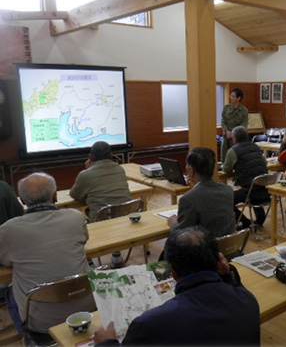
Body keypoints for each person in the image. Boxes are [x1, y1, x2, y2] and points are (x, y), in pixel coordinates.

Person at [94, 226, 260, 346]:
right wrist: (227, 274)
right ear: (219, 262)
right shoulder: (248, 301)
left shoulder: (150, 323)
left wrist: (105, 342)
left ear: (173, 271)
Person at [0, 173, 94, 335]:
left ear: (21, 200)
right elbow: (84, 239)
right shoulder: (75, 217)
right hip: (88, 309)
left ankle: (27, 338)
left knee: (9, 291)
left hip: (41, 324)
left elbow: (4, 260)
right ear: (55, 195)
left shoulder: (9, 230)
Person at [167, 147, 235, 238]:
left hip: (205, 250)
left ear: (191, 171)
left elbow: (181, 236)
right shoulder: (228, 190)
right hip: (229, 248)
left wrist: (173, 223)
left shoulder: (188, 199)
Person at [70, 141, 130, 222]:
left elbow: (75, 195)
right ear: (111, 156)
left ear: (90, 157)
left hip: (101, 220)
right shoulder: (120, 169)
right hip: (124, 216)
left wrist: (88, 169)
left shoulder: (85, 174)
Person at [223, 126, 269, 228]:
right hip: (266, 190)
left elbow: (226, 169)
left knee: (224, 200)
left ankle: (244, 221)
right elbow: (264, 163)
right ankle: (260, 219)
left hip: (250, 192)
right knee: (255, 186)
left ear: (234, 138)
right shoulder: (256, 147)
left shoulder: (233, 151)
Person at [220, 88, 249, 162]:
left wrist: (233, 133)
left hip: (236, 138)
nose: (230, 97)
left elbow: (243, 125)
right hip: (226, 136)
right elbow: (222, 121)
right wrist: (226, 131)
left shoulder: (244, 111)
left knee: (235, 157)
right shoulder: (226, 108)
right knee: (224, 157)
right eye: (230, 95)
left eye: (233, 96)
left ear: (238, 98)